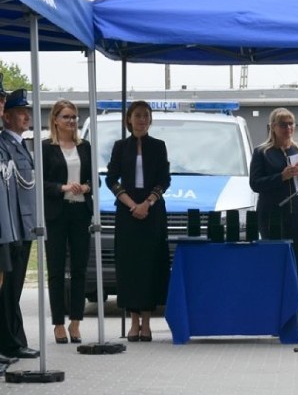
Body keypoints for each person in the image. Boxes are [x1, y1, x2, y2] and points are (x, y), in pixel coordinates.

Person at [105, 100, 170, 342]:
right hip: (128, 212)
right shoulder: (120, 147)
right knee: (130, 266)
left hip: (152, 212)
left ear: (150, 120)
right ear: (129, 120)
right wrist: (132, 204)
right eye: (138, 116)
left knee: (150, 265)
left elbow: (165, 179)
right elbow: (111, 179)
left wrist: (148, 202)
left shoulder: (159, 146)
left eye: (146, 116)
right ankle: (133, 322)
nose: (142, 120)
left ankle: (146, 321)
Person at [249, 107, 298, 297]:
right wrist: (280, 177)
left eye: (291, 124)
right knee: (274, 261)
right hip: (271, 214)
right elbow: (255, 184)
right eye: (283, 124)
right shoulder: (262, 153)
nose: (288, 128)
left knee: (297, 262)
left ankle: (294, 311)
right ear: (273, 127)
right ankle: (274, 311)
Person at [42, 100, 93, 344]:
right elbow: (40, 184)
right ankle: (59, 323)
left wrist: (86, 186)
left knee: (80, 268)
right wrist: (62, 187)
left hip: (80, 211)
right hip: (57, 214)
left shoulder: (85, 147)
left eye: (74, 117)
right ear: (55, 120)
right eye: (66, 117)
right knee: (56, 270)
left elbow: (95, 180)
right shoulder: (46, 148)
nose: (72, 121)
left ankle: (75, 322)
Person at [0, 87, 39, 359]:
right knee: (9, 289)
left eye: (26, 111)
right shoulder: (5, 143)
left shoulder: (20, 144)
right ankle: (11, 341)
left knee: (14, 289)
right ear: (7, 117)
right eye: (20, 112)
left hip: (22, 226)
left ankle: (15, 339)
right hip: (12, 225)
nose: (26, 116)